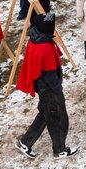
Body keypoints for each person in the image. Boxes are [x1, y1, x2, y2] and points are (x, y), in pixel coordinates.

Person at [15, 12, 78, 159]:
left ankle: (25, 142)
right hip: (49, 89)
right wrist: (58, 89)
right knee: (58, 117)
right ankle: (59, 149)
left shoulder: (35, 39)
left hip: (41, 86)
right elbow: (50, 75)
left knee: (45, 114)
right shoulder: (45, 48)